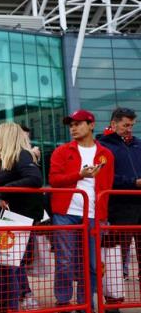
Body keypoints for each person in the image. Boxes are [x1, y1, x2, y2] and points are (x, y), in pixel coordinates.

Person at [49, 109, 114, 309]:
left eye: (78, 123)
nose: (73, 128)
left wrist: (103, 215)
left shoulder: (106, 154)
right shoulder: (61, 151)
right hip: (65, 213)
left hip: (95, 215)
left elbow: (107, 186)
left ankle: (84, 302)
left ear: (91, 125)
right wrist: (79, 175)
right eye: (71, 125)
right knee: (65, 261)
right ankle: (63, 302)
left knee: (93, 264)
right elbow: (53, 180)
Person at [0, 122, 44, 312]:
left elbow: (35, 179)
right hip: (7, 219)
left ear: (7, 137)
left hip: (16, 220)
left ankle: (10, 305)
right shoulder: (5, 159)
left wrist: (4, 191)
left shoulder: (21, 155)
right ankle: (8, 304)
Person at [99, 107, 141, 307]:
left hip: (138, 206)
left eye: (132, 125)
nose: (129, 129)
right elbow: (104, 177)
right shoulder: (102, 147)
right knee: (115, 256)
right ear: (113, 124)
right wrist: (133, 182)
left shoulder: (138, 145)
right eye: (125, 125)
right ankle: (113, 300)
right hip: (118, 208)